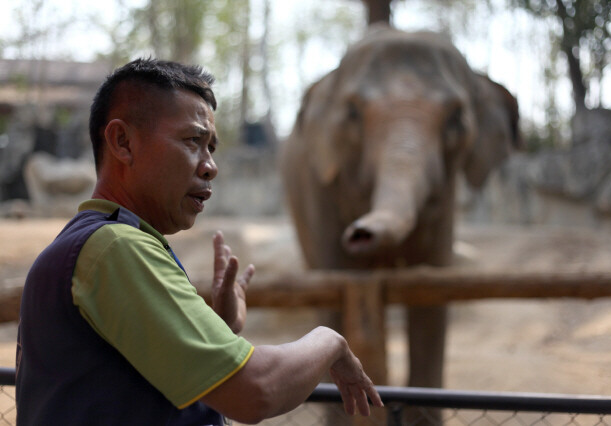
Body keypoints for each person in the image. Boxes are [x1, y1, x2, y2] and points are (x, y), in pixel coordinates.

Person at [15, 58, 383, 425]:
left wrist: (216, 329)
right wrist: (330, 340)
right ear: (123, 142)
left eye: (212, 147)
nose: (210, 166)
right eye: (193, 140)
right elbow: (255, 391)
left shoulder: (91, 241)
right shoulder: (115, 246)